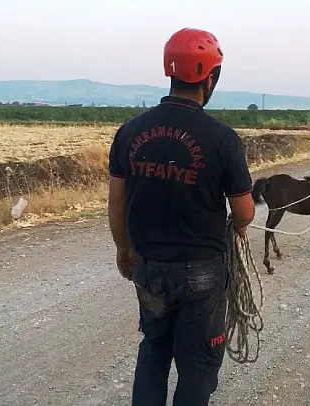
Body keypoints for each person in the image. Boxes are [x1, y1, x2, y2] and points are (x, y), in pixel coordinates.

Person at [107, 27, 256, 406]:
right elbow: (243, 211)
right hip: (202, 273)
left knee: (155, 347)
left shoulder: (130, 132)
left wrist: (124, 250)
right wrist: (239, 226)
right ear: (210, 78)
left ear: (170, 70)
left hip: (148, 267)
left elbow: (116, 203)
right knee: (198, 362)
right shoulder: (223, 139)